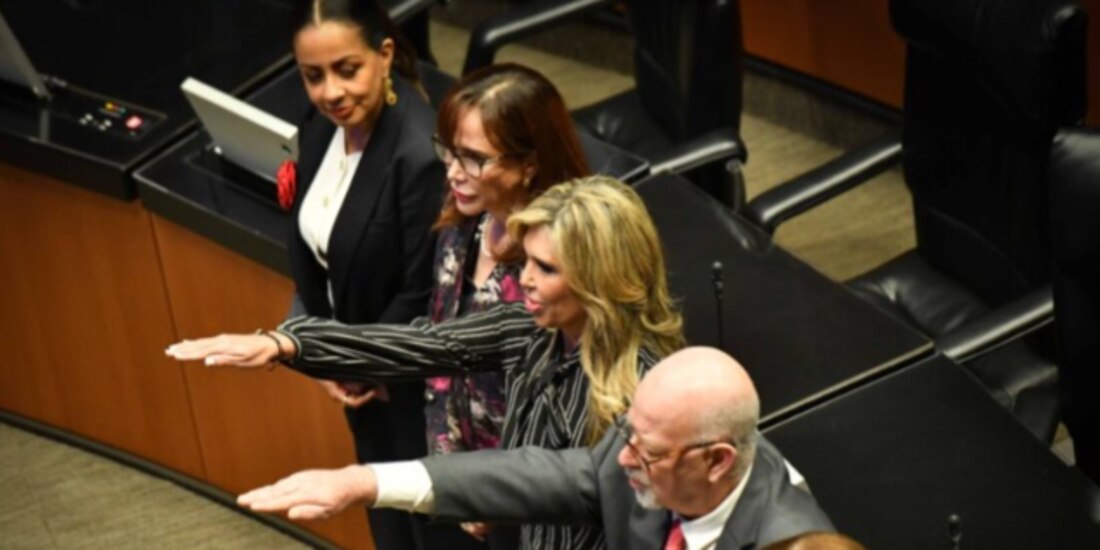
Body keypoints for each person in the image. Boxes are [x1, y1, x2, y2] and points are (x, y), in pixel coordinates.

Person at [167, 175, 686, 550]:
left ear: (601, 279)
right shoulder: (531, 329)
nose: (523, 278)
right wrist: (289, 344)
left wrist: (372, 483)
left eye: (545, 268)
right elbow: (421, 345)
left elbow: (557, 482)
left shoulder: (650, 389)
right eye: (524, 260)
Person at [231, 347, 835, 550]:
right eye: (625, 434)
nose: (623, 459)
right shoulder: (653, 460)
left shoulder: (790, 539)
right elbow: (532, 475)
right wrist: (363, 483)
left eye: (646, 452)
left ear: (717, 461)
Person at [282, 1, 444, 547]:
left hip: (411, 385)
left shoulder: (418, 154)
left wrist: (355, 361)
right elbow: (308, 243)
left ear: (385, 55)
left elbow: (423, 290)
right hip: (359, 369)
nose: (330, 91)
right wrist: (320, 344)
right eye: (313, 76)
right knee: (385, 519)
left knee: (423, 527)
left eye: (346, 70)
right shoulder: (318, 127)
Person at [422, 62, 589, 548]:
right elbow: (438, 349)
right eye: (450, 152)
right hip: (461, 478)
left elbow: (568, 399)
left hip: (532, 499)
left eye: (473, 158)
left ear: (529, 163)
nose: (454, 172)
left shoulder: (565, 258)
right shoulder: (461, 225)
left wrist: (493, 491)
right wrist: (447, 461)